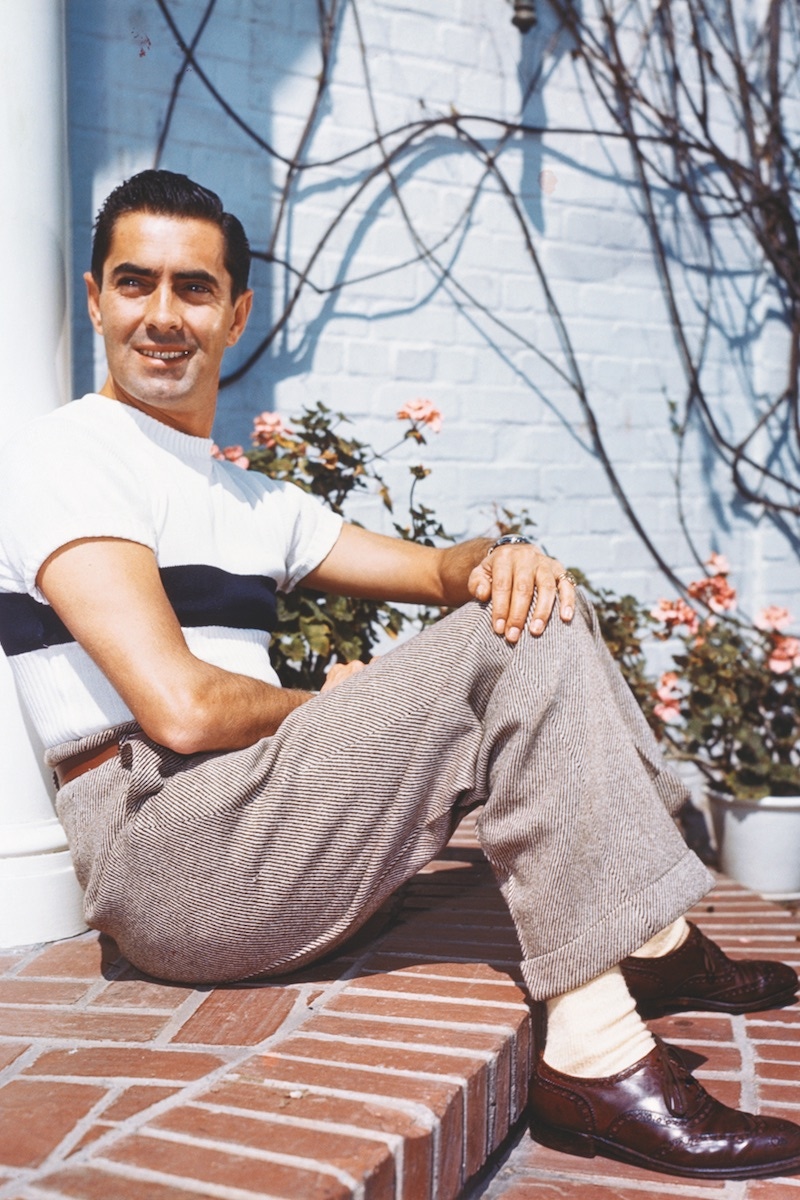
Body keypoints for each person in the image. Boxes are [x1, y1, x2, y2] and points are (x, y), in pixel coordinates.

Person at [0, 169, 798, 1182]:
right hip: (163, 854)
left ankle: (656, 938)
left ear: (236, 311)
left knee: (531, 598)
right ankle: (595, 1054)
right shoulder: (68, 455)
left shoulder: (251, 499)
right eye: (134, 282)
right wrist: (316, 709)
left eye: (193, 289)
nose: (162, 316)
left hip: (254, 824)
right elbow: (181, 707)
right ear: (93, 297)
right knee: (513, 637)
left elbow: (434, 572)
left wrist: (493, 559)